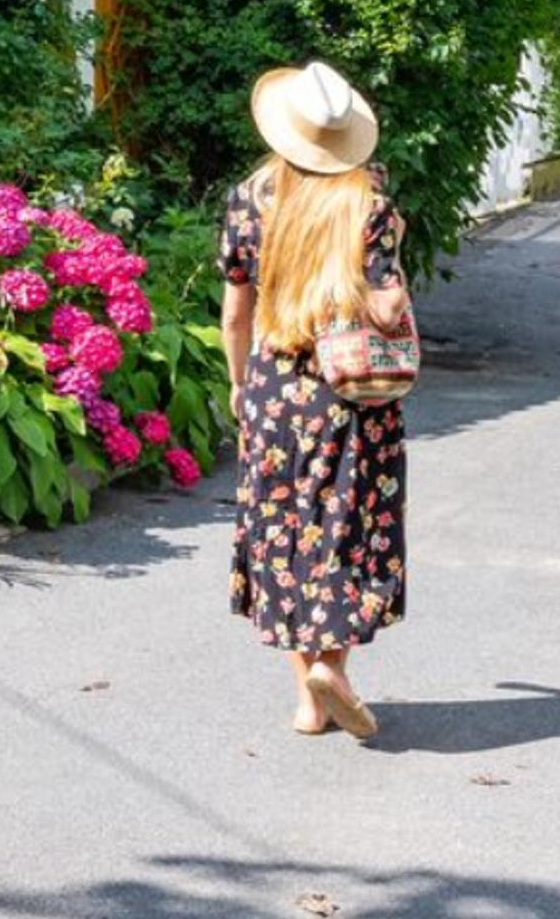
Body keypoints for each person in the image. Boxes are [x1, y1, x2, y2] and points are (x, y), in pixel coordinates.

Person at [217, 61, 415, 739]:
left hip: (275, 390)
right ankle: (333, 664)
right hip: (352, 394)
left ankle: (308, 697)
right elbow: (389, 304)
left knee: (286, 532)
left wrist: (241, 386)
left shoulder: (250, 200)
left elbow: (235, 313)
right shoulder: (370, 205)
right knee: (346, 530)